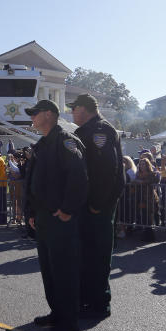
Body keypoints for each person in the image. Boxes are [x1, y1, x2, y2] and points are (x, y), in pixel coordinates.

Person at [24, 99, 88, 331]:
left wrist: (67, 210)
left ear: (49, 115)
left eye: (35, 113)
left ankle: (68, 322)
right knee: (49, 270)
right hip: (43, 217)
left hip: (59, 218)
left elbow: (78, 178)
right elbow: (34, 182)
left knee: (64, 270)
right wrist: (31, 213)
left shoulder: (65, 141)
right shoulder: (43, 143)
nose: (32, 117)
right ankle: (57, 312)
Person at [69, 93, 124, 319]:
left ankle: (99, 302)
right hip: (87, 203)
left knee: (98, 254)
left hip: (97, 205)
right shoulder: (86, 131)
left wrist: (96, 204)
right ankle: (85, 298)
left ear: (84, 109)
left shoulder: (100, 130)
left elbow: (106, 171)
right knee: (85, 253)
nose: (72, 112)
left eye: (74, 108)